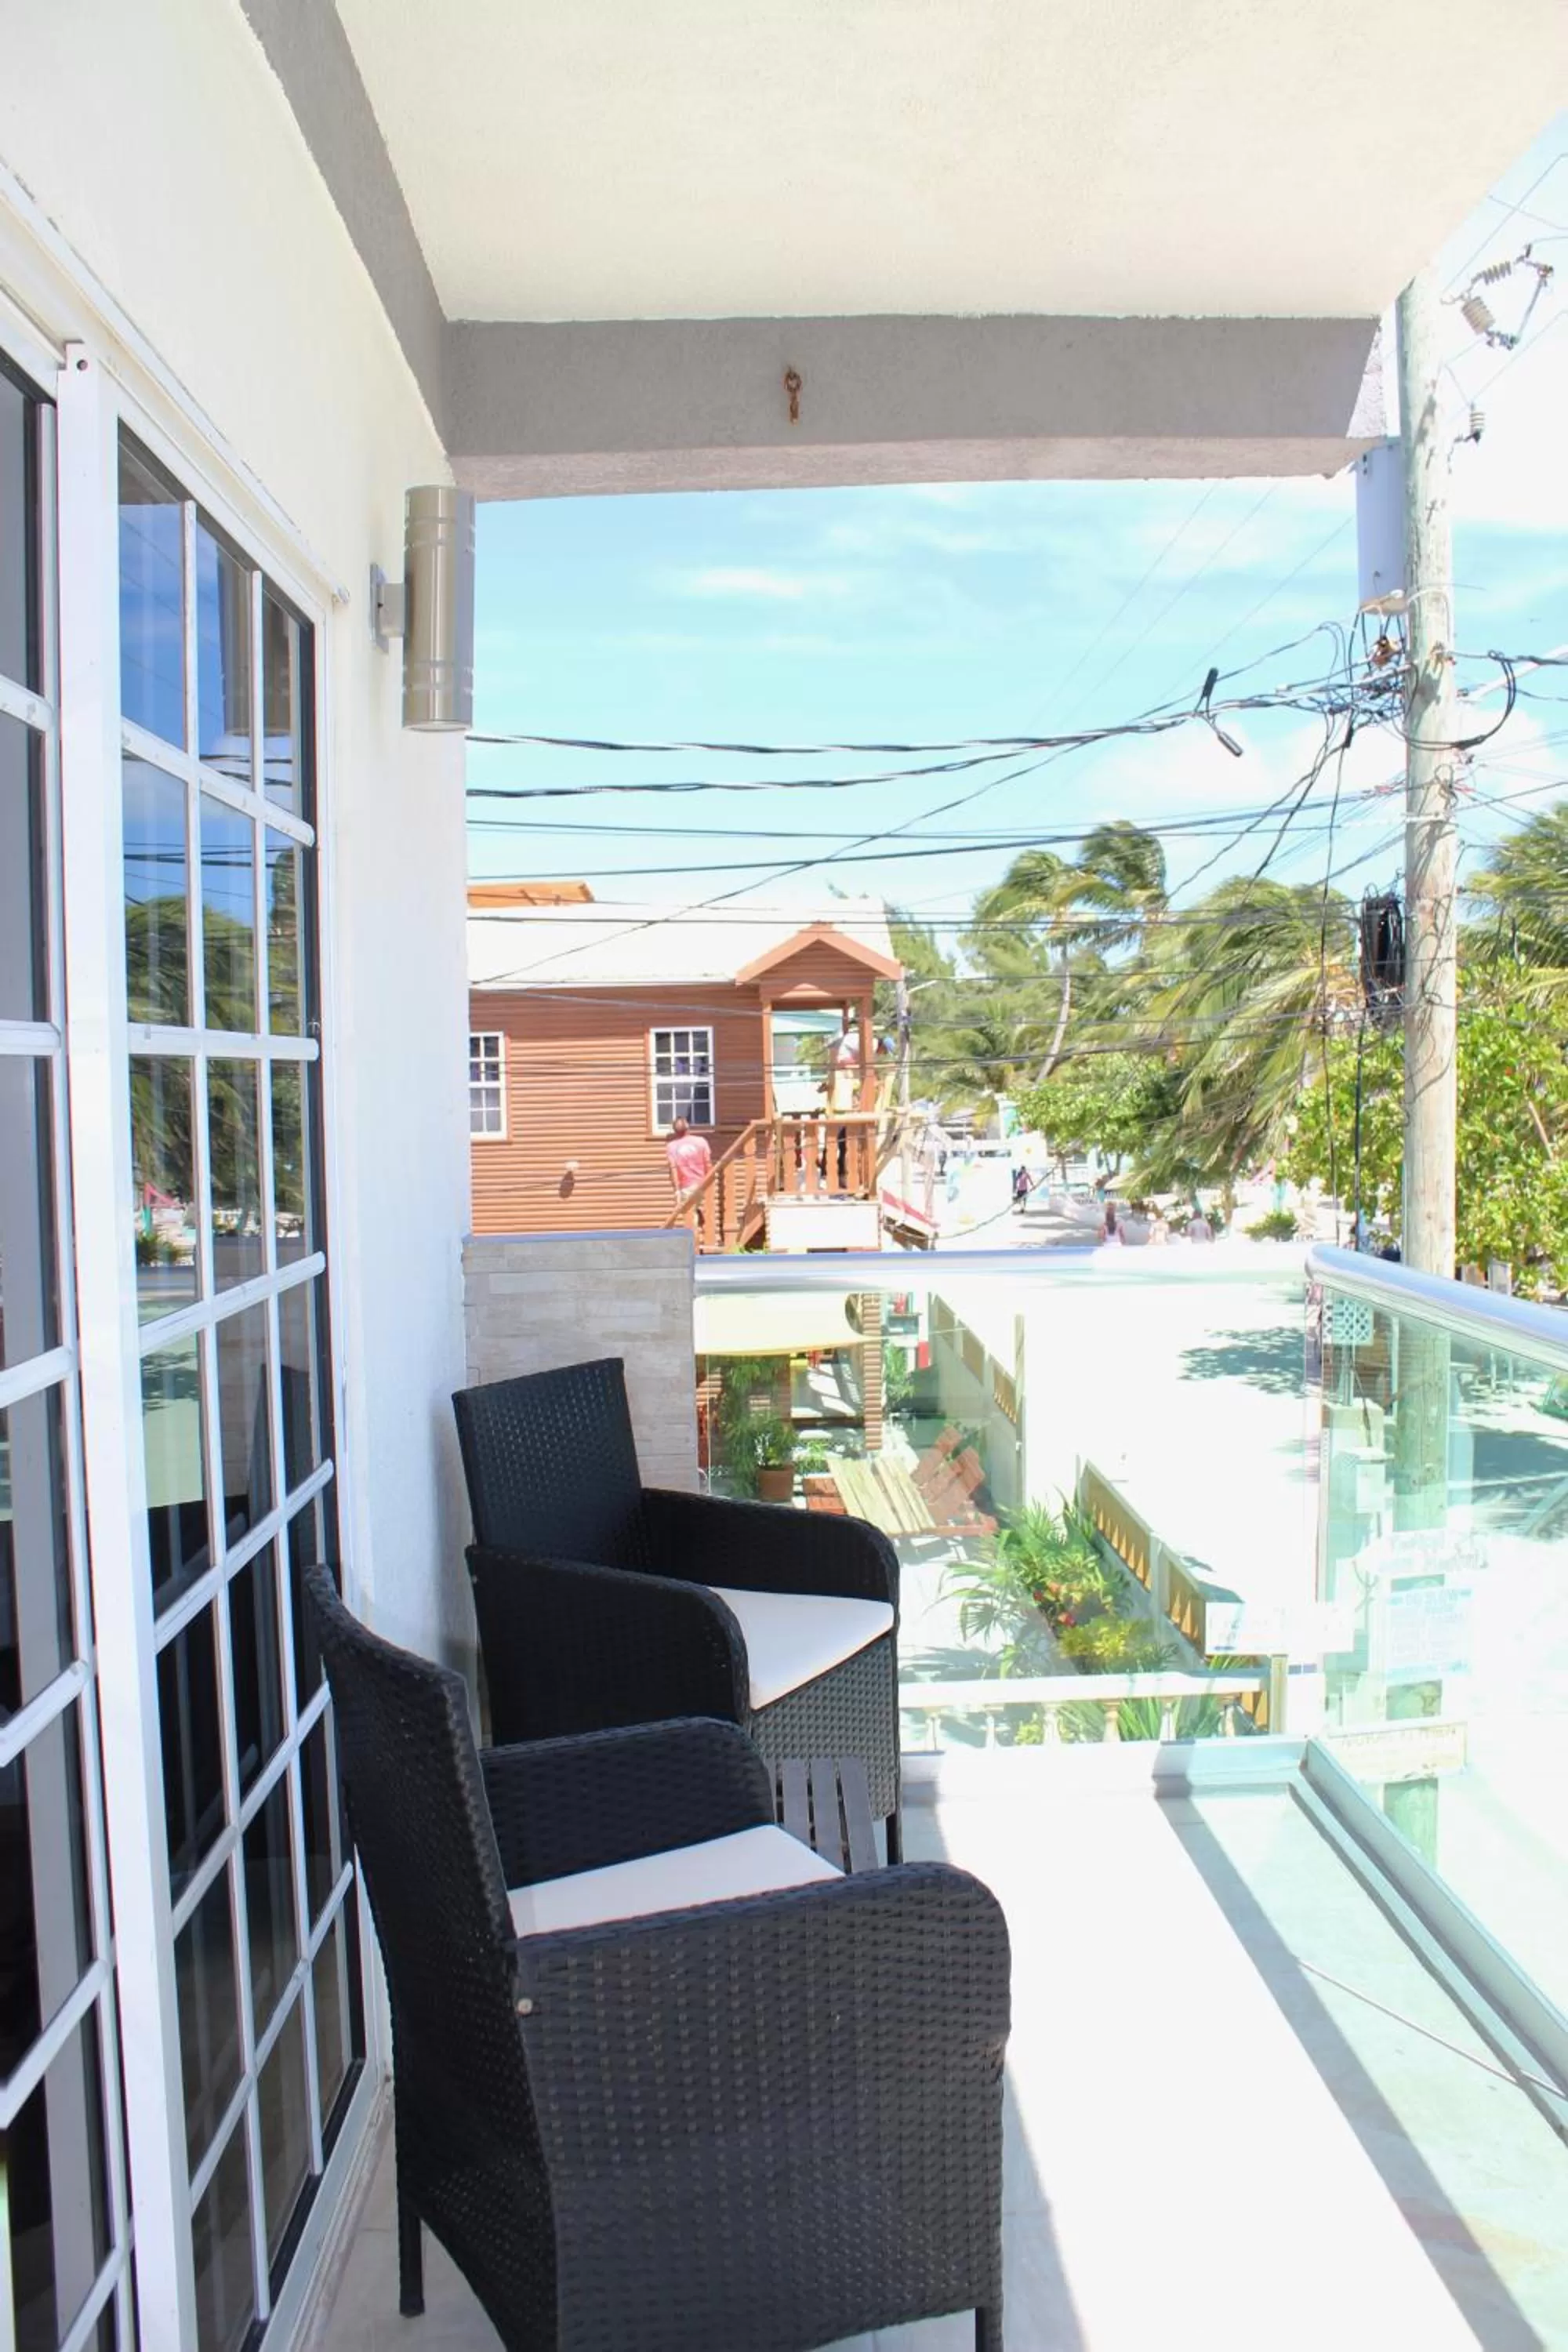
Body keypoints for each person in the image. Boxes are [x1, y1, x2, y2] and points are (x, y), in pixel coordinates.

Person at [665, 1116, 712, 1230]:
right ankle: (699, 1223)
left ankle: (695, 1239)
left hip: (686, 1186)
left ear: (675, 1131)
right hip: (702, 1183)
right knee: (694, 1208)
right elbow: (708, 1163)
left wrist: (676, 1190)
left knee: (689, 1215)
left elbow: (674, 1169)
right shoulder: (701, 1141)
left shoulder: (671, 1147)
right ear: (688, 1128)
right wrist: (709, 1182)